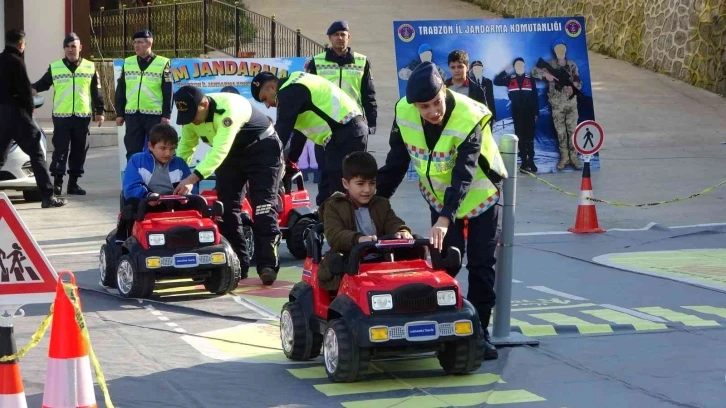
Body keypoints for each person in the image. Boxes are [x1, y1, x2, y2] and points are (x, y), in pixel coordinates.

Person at [377, 62, 507, 360]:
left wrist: (446, 219)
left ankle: (478, 333)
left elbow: (465, 173)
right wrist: (373, 201)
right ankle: (444, 326)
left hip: (480, 194)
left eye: (436, 103)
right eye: (425, 107)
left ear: (444, 90)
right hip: (438, 196)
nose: (433, 111)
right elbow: (396, 162)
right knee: (446, 263)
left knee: (480, 265)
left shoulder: (467, 115)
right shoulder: (404, 113)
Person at [172, 85, 283, 286]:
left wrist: (191, 179)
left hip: (262, 149)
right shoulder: (190, 118)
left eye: (193, 115)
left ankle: (267, 265)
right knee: (225, 208)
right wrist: (174, 174)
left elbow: (219, 150)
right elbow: (186, 148)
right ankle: (238, 263)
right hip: (232, 155)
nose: (192, 121)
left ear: (204, 103)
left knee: (263, 207)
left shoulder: (229, 108)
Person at [250, 70, 368, 206]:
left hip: (344, 132)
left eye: (264, 98)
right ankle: (327, 222)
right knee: (327, 188)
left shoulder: (289, 91)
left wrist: (265, 161)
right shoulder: (297, 83)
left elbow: (282, 132)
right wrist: (291, 160)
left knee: (338, 191)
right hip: (347, 132)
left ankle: (341, 225)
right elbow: (299, 135)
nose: (267, 105)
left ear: (272, 87)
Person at [306, 20, 378, 204]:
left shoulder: (362, 61)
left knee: (356, 171)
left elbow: (368, 93)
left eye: (343, 34)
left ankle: (355, 209)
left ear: (349, 37)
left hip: (353, 125)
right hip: (325, 126)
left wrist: (372, 121)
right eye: (336, 34)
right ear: (329, 38)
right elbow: (308, 94)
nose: (340, 38)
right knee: (326, 171)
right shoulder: (317, 62)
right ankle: (325, 213)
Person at [318, 151, 413, 291]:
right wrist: (359, 239)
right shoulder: (334, 206)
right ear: (346, 183)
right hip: (348, 262)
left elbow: (392, 221)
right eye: (360, 184)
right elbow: (335, 235)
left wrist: (401, 231)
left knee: (416, 245)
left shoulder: (381, 204)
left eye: (372, 183)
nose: (367, 190)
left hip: (381, 259)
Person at [32, 32, 105, 196]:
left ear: (80, 47)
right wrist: (28, 89)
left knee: (79, 150)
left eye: (74, 46)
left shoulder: (90, 67)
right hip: (61, 116)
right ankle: (57, 183)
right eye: (68, 46)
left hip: (82, 116)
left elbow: (96, 91)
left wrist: (99, 111)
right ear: (64, 49)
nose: (71, 49)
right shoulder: (55, 67)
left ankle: (73, 184)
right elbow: (42, 84)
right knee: (60, 150)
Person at [0, 29, 66, 208]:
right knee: (37, 153)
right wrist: (29, 112)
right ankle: (47, 196)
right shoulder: (16, 61)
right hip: (18, 115)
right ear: (21, 44)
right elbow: (24, 91)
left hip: (2, 115)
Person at [117, 124, 192, 242]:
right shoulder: (137, 160)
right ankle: (126, 240)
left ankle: (191, 239)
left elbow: (192, 186)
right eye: (163, 148)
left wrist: (187, 195)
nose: (168, 153)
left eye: (172, 148)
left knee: (196, 204)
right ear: (151, 146)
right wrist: (148, 196)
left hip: (174, 203)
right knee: (132, 204)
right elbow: (131, 187)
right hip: (147, 203)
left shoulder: (180, 163)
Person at [115, 30, 173, 161]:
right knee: (132, 149)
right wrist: (119, 113)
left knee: (156, 149)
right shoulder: (128, 62)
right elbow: (121, 90)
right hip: (132, 115)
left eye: (140, 42)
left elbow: (168, 92)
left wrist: (166, 115)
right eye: (135, 42)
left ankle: (154, 179)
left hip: (154, 115)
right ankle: (134, 179)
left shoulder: (163, 63)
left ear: (149, 43)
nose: (136, 45)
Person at [531, 38, 582, 170]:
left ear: (565, 50)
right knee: (560, 133)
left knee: (573, 132)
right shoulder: (550, 64)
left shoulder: (572, 65)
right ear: (554, 51)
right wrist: (545, 74)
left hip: (571, 104)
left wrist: (574, 86)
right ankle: (564, 157)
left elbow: (578, 82)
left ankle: (574, 157)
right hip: (557, 105)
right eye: (557, 49)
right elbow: (533, 72)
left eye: (562, 48)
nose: (560, 51)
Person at [494, 57, 540, 173]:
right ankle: (524, 161)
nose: (519, 67)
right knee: (520, 136)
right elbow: (496, 81)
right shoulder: (510, 79)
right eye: (516, 65)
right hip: (517, 112)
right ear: (514, 67)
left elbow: (535, 97)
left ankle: (531, 161)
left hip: (529, 113)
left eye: (521, 65)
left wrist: (536, 113)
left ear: (524, 66)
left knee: (530, 137)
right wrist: (505, 70)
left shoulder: (530, 79)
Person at [445, 51, 493, 131]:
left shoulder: (477, 90)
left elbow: (484, 116)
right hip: (447, 135)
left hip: (469, 136)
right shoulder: (443, 88)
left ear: (467, 67)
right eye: (453, 67)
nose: (456, 70)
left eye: (460, 67)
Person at [468, 60, 497, 127]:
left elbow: (491, 99)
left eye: (479, 68)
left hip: (486, 113)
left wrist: (493, 116)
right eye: (475, 68)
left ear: (482, 70)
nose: (477, 70)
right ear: (472, 70)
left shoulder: (488, 82)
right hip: (473, 114)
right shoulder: (469, 81)